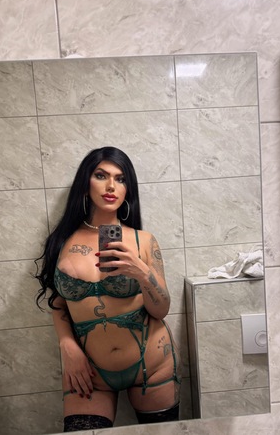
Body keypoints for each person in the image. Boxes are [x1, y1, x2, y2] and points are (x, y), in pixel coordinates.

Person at [35, 146, 181, 432]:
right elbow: (59, 302)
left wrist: (141, 271)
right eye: (101, 175)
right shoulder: (62, 241)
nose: (111, 186)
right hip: (89, 372)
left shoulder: (143, 241)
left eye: (121, 178)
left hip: (153, 365)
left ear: (128, 189)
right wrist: (66, 345)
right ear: (85, 183)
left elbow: (161, 309)